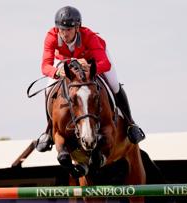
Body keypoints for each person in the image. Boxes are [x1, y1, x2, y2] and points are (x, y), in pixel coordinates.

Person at [36, 6, 145, 152]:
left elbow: (105, 64)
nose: (64, 33)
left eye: (68, 29)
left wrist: (88, 66)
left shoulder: (89, 36)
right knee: (48, 89)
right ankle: (49, 130)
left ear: (77, 27)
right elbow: (45, 66)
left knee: (114, 85)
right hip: (64, 61)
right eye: (61, 29)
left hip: (92, 59)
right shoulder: (51, 36)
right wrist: (57, 72)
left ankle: (131, 124)